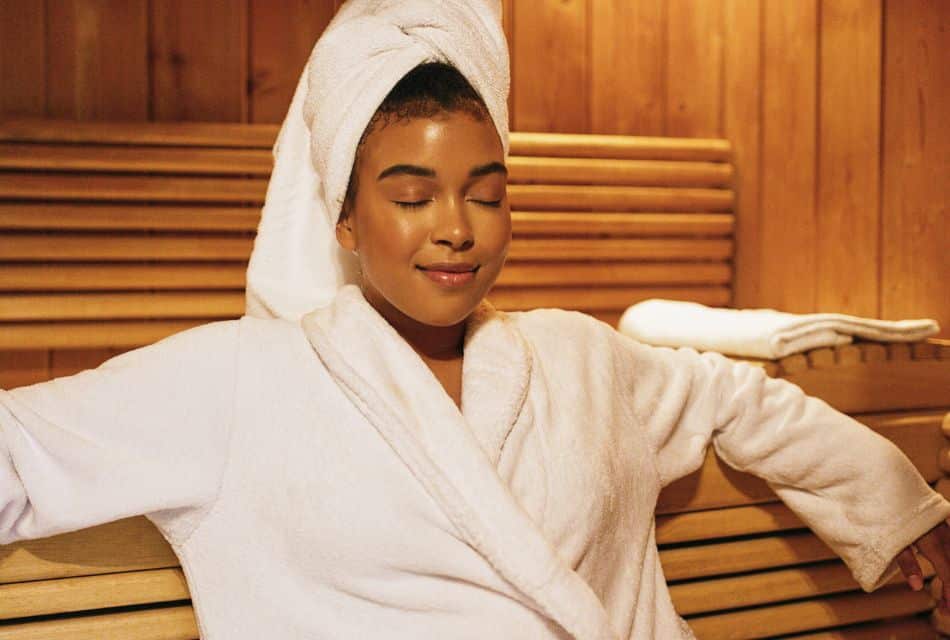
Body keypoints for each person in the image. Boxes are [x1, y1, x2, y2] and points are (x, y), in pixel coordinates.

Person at [1, 2, 948, 639]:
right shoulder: (242, 380)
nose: (455, 230)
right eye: (411, 196)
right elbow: (21, 454)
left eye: (485, 195)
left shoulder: (577, 356)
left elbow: (738, 399)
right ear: (344, 221)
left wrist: (893, 507)